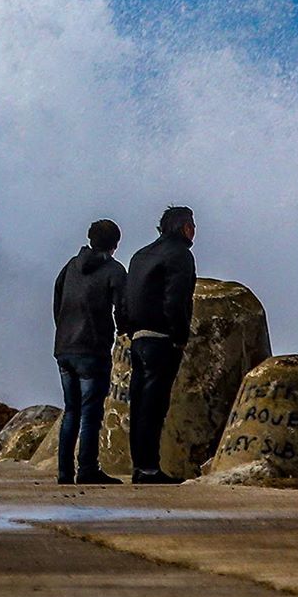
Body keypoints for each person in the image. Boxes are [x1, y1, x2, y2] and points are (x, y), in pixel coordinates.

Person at [122, 205, 197, 484]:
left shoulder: (139, 256)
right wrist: (180, 337)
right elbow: (176, 299)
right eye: (191, 225)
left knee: (139, 404)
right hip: (162, 340)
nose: (194, 230)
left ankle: (140, 467)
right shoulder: (180, 255)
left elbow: (126, 297)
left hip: (139, 338)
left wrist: (128, 329)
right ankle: (150, 469)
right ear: (182, 228)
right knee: (154, 407)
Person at [53, 219, 126, 484]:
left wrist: (63, 334)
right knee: (91, 412)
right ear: (115, 245)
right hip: (92, 350)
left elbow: (57, 302)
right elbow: (123, 308)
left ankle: (64, 472)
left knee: (71, 410)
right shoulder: (114, 270)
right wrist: (123, 334)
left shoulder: (70, 267)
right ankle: (87, 469)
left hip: (64, 349)